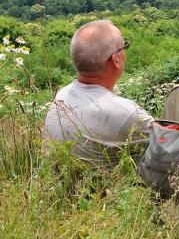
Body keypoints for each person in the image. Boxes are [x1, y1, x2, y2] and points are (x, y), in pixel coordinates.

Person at [43, 20, 153, 166]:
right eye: (124, 46)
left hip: (59, 185)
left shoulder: (62, 94)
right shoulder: (126, 112)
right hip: (106, 188)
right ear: (115, 60)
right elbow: (171, 144)